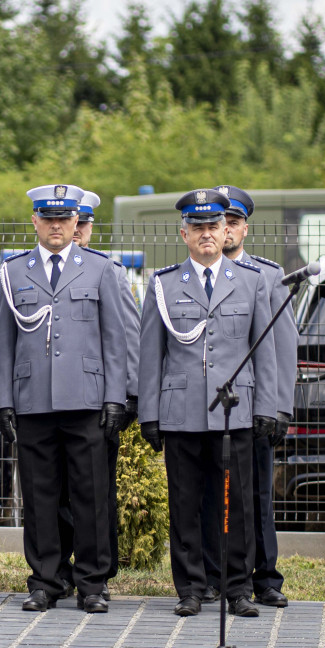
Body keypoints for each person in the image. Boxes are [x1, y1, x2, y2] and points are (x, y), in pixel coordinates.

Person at [138, 188, 277, 618]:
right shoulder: (163, 285)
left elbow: (264, 351)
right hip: (181, 413)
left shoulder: (251, 282)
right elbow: (150, 354)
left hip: (234, 412)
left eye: (214, 226)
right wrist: (150, 414)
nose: (207, 235)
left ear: (226, 230)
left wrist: (267, 408)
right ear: (183, 233)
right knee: (185, 503)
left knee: (234, 504)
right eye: (197, 228)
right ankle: (192, 588)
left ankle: (236, 588)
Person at [0, 184, 127, 614]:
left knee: (90, 495)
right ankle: (45, 581)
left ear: (76, 223)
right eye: (47, 219)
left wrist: (114, 398)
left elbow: (115, 340)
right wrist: (4, 400)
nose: (56, 226)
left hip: (86, 400)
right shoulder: (13, 272)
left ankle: (91, 583)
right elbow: (3, 343)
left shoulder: (101, 269)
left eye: (64, 219)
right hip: (33, 401)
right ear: (35, 221)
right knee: (40, 495)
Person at [198, 184, 296, 608]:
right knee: (207, 493)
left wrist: (278, 408)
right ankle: (208, 576)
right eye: (223, 222)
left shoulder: (268, 276)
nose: (228, 229)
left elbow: (282, 347)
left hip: (254, 405)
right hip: (209, 408)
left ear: (243, 228)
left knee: (256, 493)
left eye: (234, 221)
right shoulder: (196, 271)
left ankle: (265, 578)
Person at [60, 189, 141, 601]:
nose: (76, 232)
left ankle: (97, 572)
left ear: (88, 228)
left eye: (84, 224)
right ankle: (58, 570)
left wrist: (128, 396)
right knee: (55, 493)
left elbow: (126, 337)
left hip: (97, 401)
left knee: (95, 492)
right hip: (53, 401)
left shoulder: (107, 270)